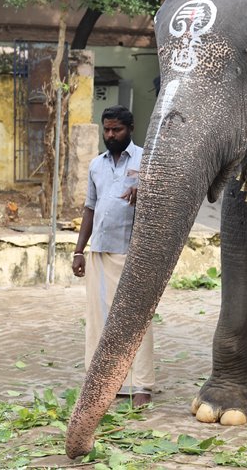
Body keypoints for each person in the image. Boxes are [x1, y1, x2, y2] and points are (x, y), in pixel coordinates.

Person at [72, 105, 154, 407]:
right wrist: (79, 250)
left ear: (130, 129)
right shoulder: (96, 165)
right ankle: (103, 380)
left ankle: (141, 384)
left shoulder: (147, 160)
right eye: (106, 129)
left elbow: (161, 203)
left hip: (133, 254)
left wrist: (144, 192)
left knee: (137, 320)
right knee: (99, 321)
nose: (110, 135)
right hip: (99, 252)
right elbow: (90, 208)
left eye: (116, 129)